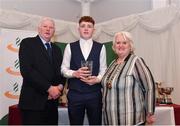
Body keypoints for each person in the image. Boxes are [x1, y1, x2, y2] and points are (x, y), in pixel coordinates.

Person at [18, 17, 66, 125]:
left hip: (52, 104)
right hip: (33, 104)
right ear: (39, 29)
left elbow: (62, 72)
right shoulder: (27, 43)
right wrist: (49, 88)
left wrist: (60, 87)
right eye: (45, 26)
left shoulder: (57, 50)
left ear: (54, 31)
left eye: (51, 27)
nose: (48, 29)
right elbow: (27, 71)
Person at [101, 31, 156, 125]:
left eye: (124, 42)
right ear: (114, 46)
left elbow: (149, 87)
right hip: (110, 119)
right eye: (118, 43)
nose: (120, 45)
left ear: (130, 45)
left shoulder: (136, 61)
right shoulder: (112, 63)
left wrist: (150, 112)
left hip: (131, 119)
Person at [61, 16, 107, 125]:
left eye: (89, 26)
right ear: (78, 29)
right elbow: (63, 69)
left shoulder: (101, 47)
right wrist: (74, 73)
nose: (86, 29)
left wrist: (97, 79)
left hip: (94, 94)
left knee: (96, 123)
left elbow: (104, 69)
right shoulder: (70, 47)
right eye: (83, 26)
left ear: (93, 30)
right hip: (75, 94)